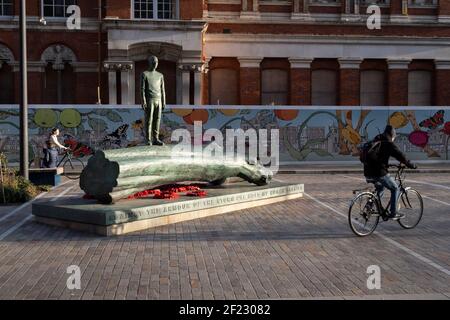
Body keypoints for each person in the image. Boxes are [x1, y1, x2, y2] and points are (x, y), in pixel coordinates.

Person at [364, 125, 417, 220]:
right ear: (392, 135)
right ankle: (394, 212)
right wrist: (410, 165)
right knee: (395, 188)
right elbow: (401, 156)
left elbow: (378, 157)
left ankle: (370, 205)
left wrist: (387, 164)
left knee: (380, 188)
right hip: (379, 172)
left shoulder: (377, 139)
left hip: (367, 172)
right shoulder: (389, 143)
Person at [141, 55, 166, 146]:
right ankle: (148, 139)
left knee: (157, 119)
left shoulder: (160, 75)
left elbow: (162, 90)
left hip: (158, 100)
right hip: (149, 99)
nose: (155, 63)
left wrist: (164, 101)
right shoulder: (145, 74)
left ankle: (156, 138)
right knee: (149, 120)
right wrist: (143, 100)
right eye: (153, 61)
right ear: (149, 62)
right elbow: (142, 89)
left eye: (156, 62)